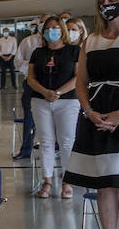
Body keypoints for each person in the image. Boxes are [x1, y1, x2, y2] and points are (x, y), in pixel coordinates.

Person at [66, 0, 119, 229]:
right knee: (105, 185)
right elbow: (81, 81)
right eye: (102, 0)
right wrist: (89, 110)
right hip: (97, 115)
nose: (107, 5)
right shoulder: (90, 40)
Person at [27, 16, 80, 199]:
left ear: (63, 30)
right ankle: (47, 180)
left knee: (66, 141)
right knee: (46, 142)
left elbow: (78, 77)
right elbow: (31, 78)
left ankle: (67, 180)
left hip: (67, 101)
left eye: (56, 27)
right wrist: (45, 92)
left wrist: (57, 93)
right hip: (41, 101)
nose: (52, 31)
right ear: (43, 32)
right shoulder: (38, 53)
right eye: (48, 28)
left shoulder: (74, 51)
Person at [13, 24, 42, 159]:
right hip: (31, 83)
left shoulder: (62, 43)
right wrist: (32, 67)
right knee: (29, 118)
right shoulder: (28, 41)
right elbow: (18, 62)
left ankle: (55, 148)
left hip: (55, 86)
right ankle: (26, 150)